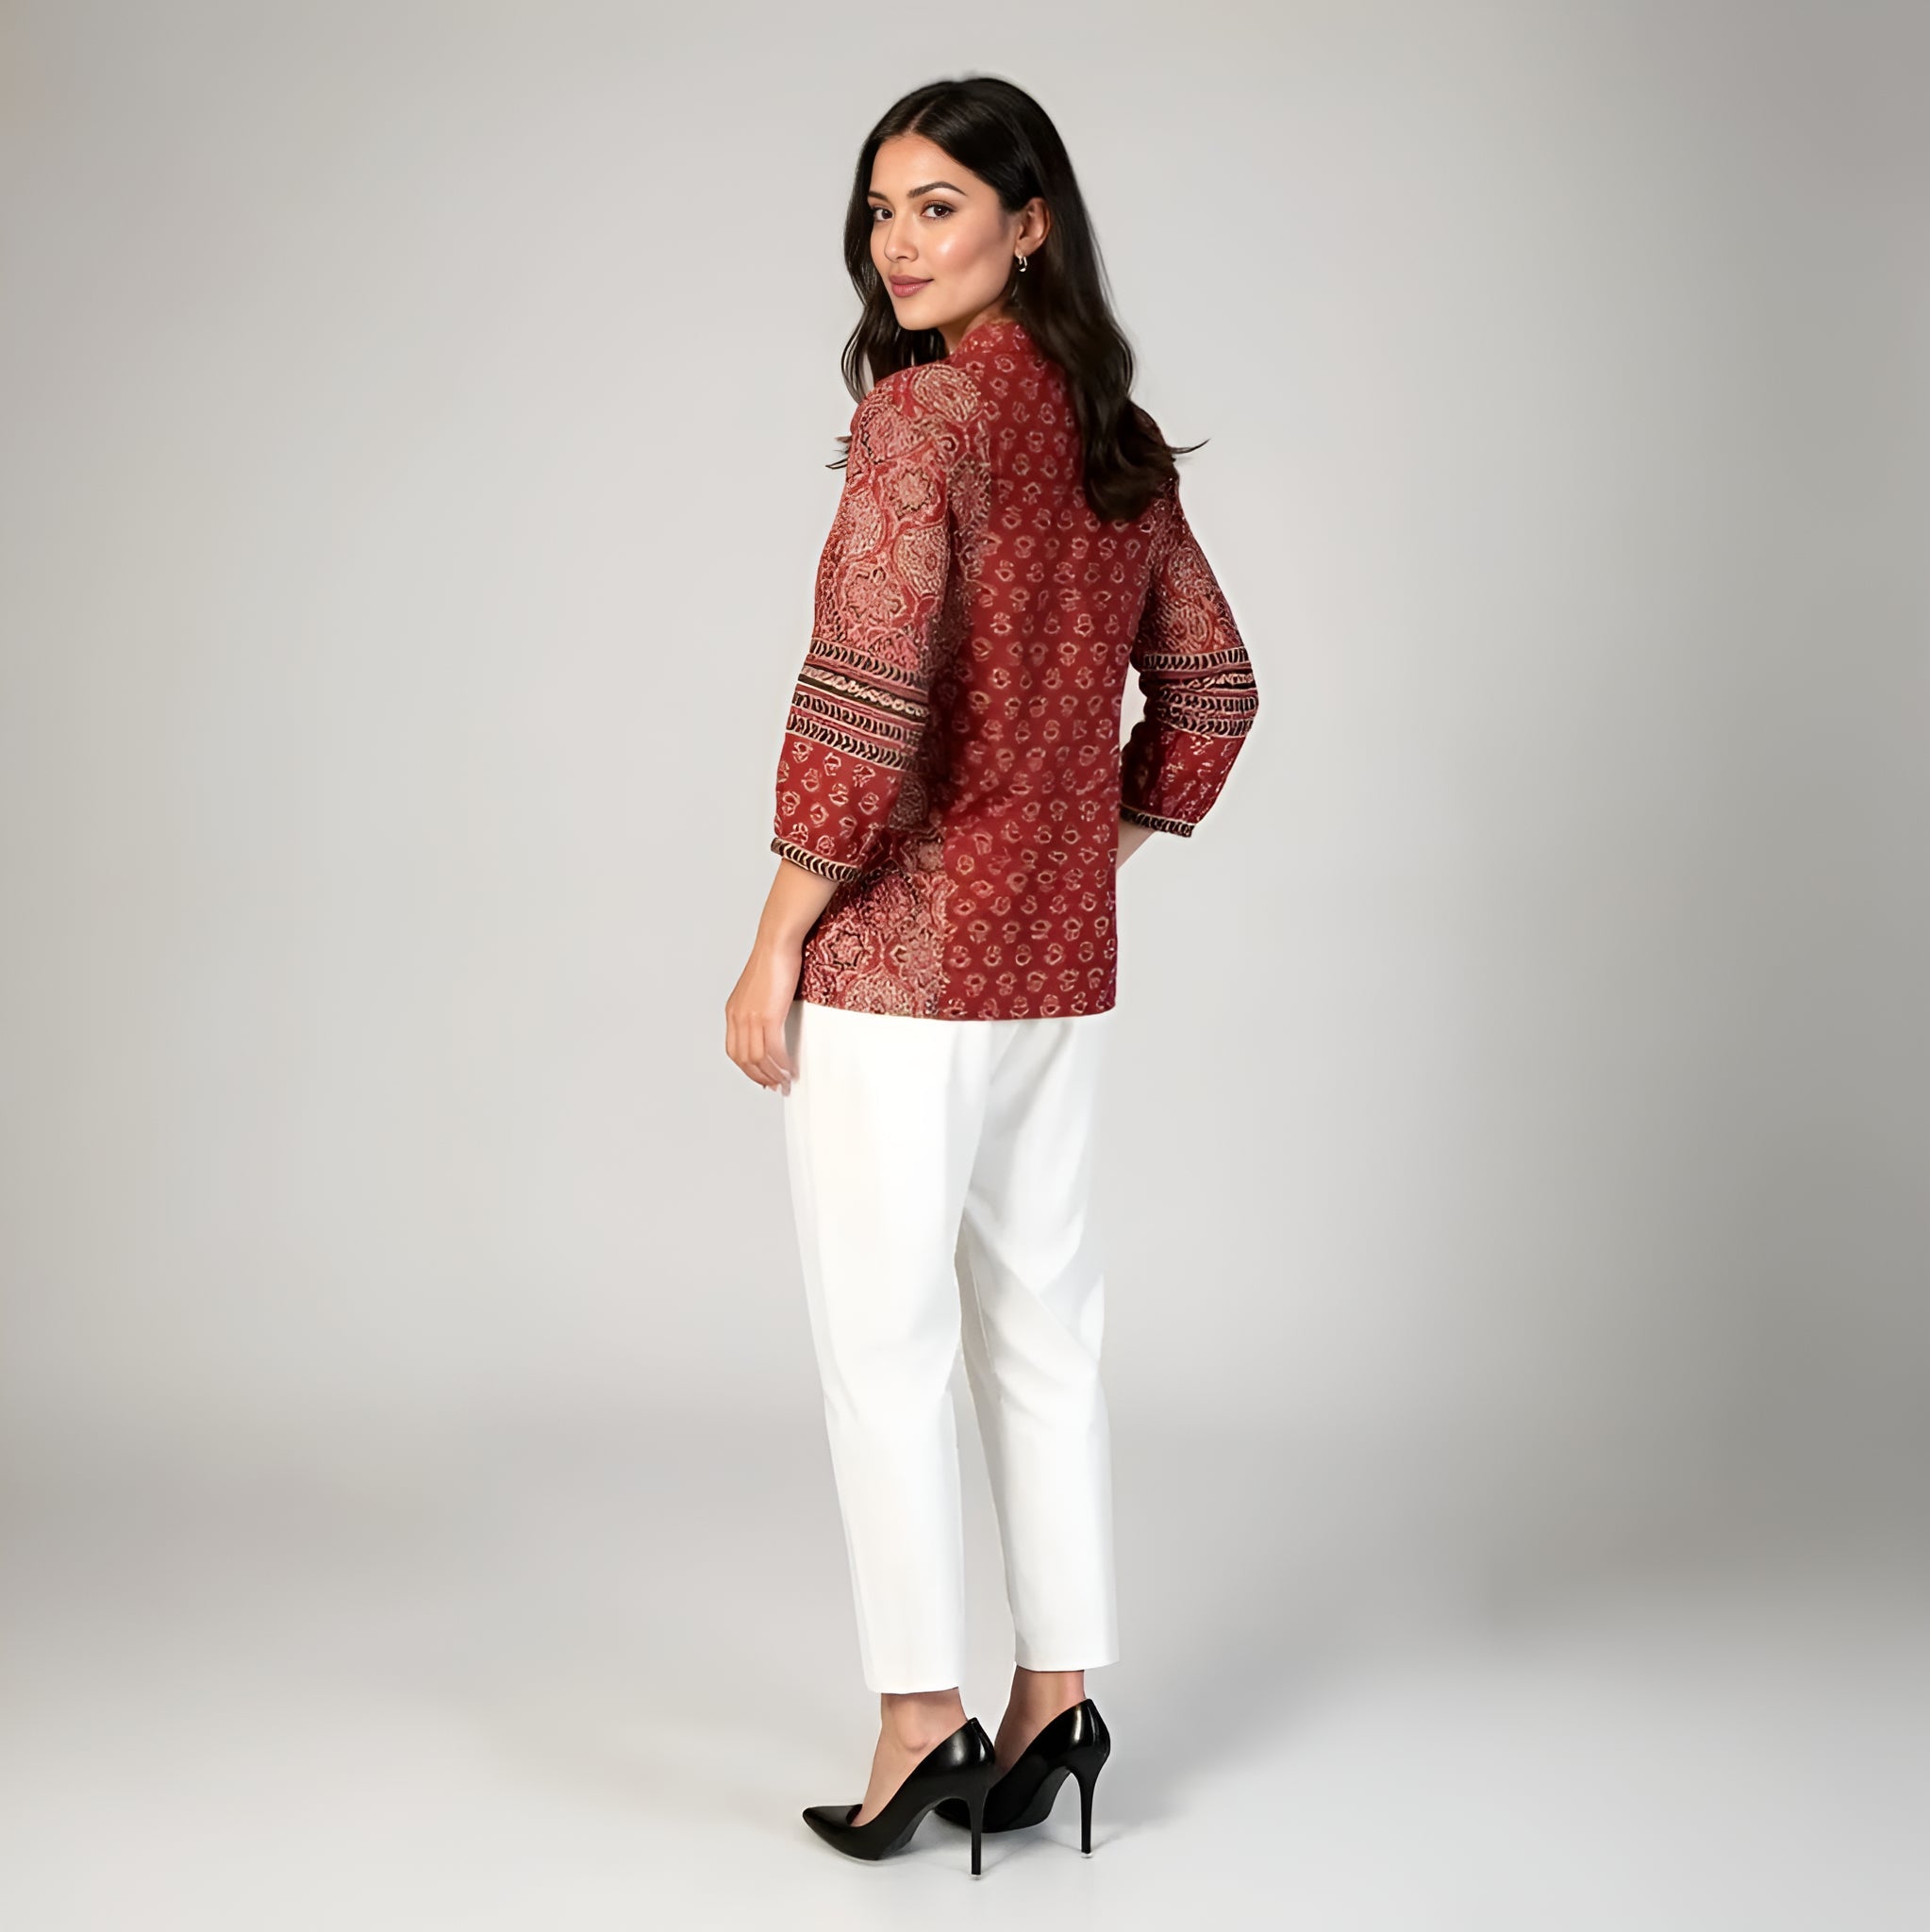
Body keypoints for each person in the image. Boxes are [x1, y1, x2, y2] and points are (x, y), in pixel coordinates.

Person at [724, 75, 1258, 1873]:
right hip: (1055, 969)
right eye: (880, 211)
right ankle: (1059, 1699)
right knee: (1043, 1330)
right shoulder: (1116, 439)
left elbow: (860, 700)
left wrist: (774, 940)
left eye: (936, 206)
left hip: (897, 971)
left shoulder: (919, 423)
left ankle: (915, 1721)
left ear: (1029, 226)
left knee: (885, 1348)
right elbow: (1214, 692)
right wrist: (1086, 853)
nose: (896, 243)